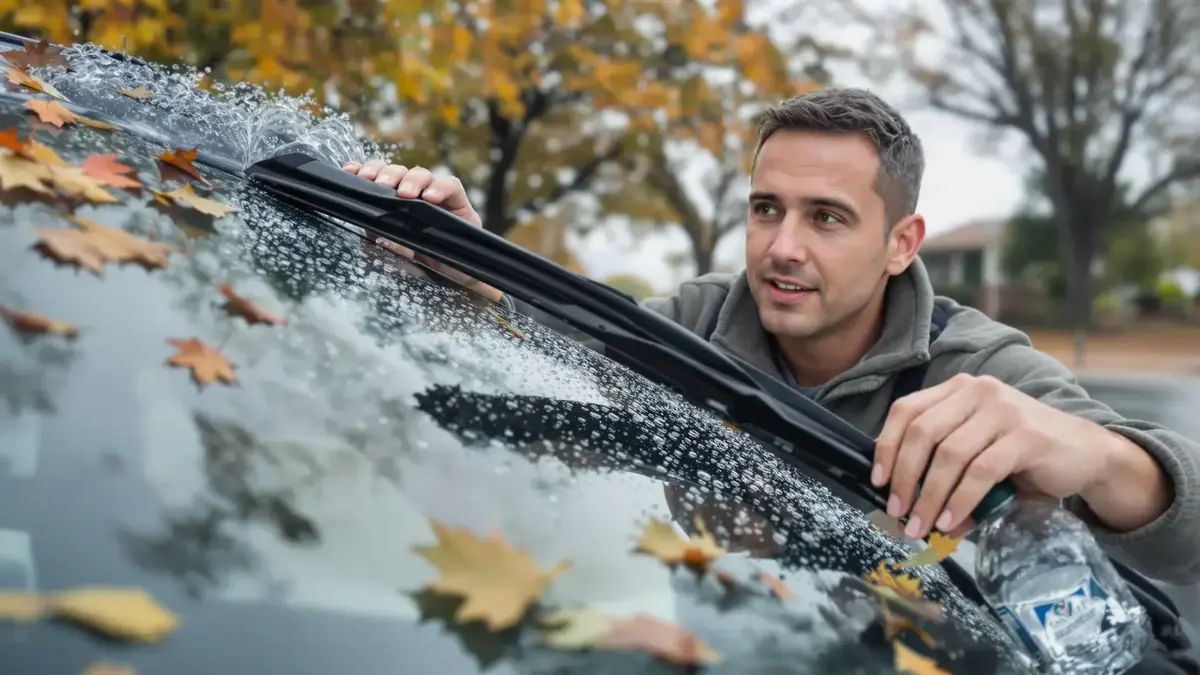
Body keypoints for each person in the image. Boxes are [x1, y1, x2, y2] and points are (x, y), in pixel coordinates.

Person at [343, 87, 1200, 587]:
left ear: (903, 242)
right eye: (766, 210)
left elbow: (1182, 532)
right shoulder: (698, 322)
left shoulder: (975, 365)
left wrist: (1095, 453)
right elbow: (551, 343)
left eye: (827, 217)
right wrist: (467, 258)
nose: (783, 246)